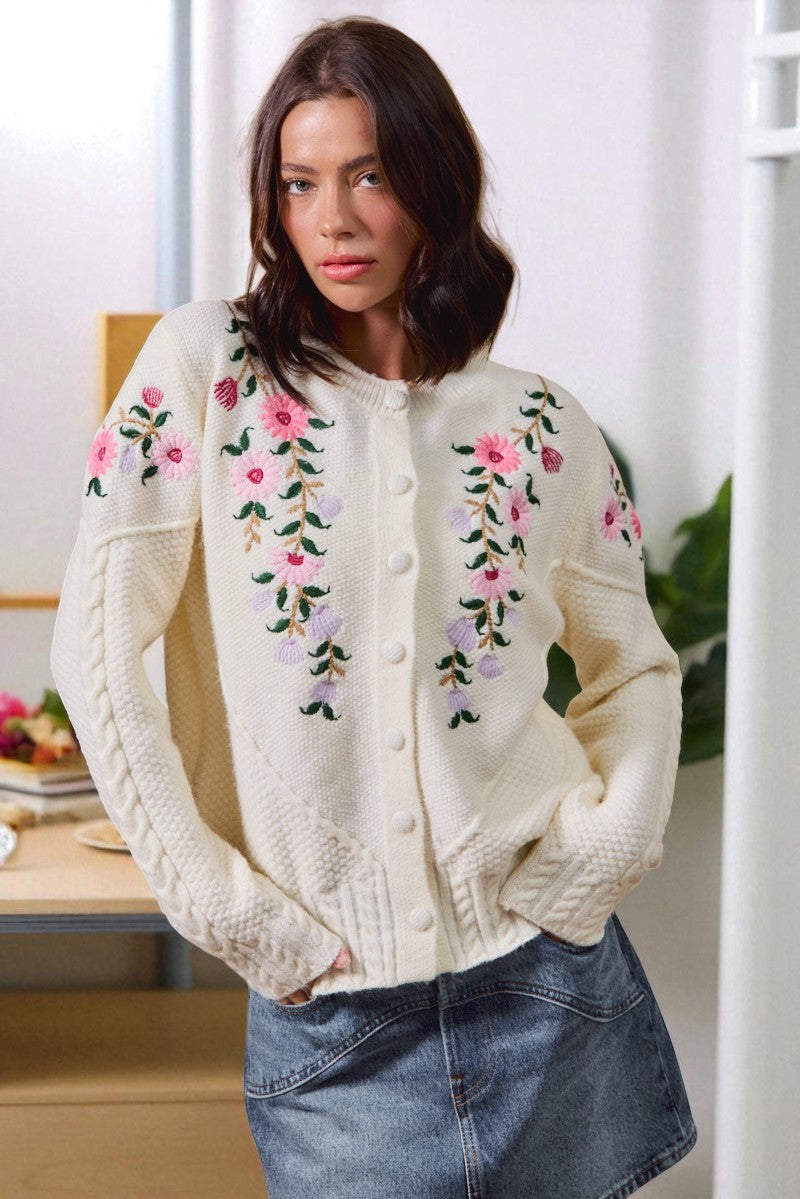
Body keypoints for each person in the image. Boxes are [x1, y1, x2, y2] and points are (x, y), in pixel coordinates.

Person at [50, 14, 697, 1198]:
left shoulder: (542, 425)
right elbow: (96, 646)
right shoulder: (206, 370)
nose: (332, 220)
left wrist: (599, 850)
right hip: (331, 1014)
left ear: (432, 183)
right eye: (299, 184)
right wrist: (226, 907)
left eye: (369, 175)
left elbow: (635, 667)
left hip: (546, 987)